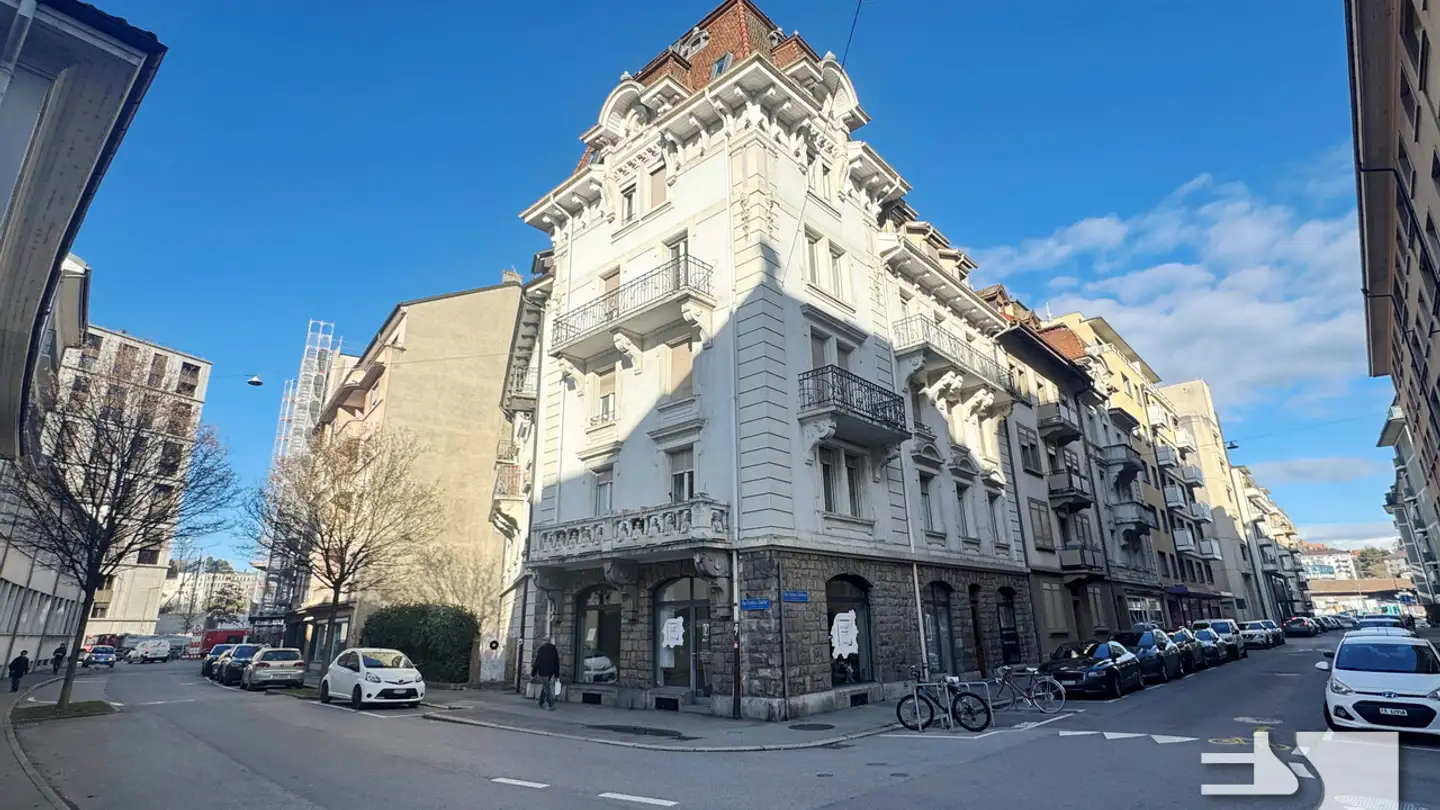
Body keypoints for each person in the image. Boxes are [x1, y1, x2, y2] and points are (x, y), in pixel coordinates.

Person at [531, 639, 560, 710]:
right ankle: (541, 701)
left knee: (547, 687)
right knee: (545, 686)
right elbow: (557, 661)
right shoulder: (553, 649)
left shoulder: (542, 649)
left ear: (543, 642)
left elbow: (537, 662)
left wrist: (533, 673)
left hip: (543, 671)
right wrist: (557, 674)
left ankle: (551, 704)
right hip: (551, 671)